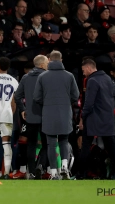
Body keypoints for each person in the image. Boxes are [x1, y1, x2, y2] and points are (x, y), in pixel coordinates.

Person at [79, 59, 115, 180]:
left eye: (83, 71)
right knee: (112, 145)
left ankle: (81, 174)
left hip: (94, 118)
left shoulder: (91, 80)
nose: (83, 73)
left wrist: (83, 117)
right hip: (108, 118)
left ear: (88, 68)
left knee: (86, 145)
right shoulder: (107, 78)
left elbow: (89, 103)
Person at [34, 50, 79, 180]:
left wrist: (48, 102)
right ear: (61, 60)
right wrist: (65, 102)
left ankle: (53, 172)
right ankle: (64, 166)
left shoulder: (42, 77)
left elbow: (37, 97)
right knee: (64, 140)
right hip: (65, 112)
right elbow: (75, 96)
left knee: (51, 143)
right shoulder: (69, 76)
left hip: (48, 113)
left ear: (49, 60)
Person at [15, 55, 49, 179]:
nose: (48, 64)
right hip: (46, 116)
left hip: (31, 116)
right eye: (46, 62)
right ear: (41, 64)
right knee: (47, 144)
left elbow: (17, 96)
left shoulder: (25, 77)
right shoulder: (47, 76)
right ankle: (41, 165)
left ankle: (32, 172)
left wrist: (23, 109)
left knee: (31, 144)